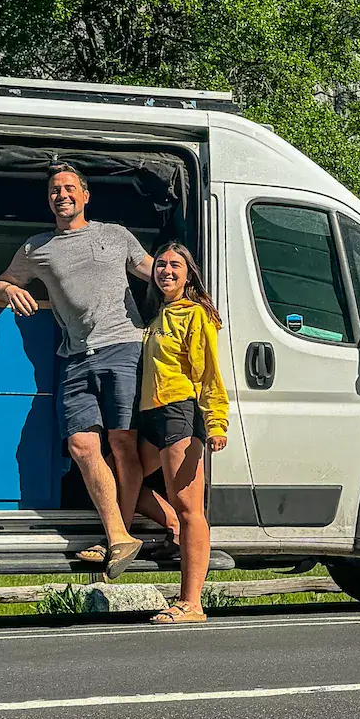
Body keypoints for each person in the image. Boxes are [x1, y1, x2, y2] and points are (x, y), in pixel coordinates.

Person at [0, 162, 154, 577]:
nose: (61, 195)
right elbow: (1, 281)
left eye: (68, 188)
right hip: (76, 357)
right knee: (82, 446)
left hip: (123, 347)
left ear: (85, 196)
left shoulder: (115, 235)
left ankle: (122, 534)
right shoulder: (37, 247)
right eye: (54, 190)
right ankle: (120, 536)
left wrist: (195, 301)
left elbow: (157, 272)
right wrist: (10, 290)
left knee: (122, 444)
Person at [133, 240, 228, 625]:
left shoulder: (196, 314)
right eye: (160, 265)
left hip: (179, 412)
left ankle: (191, 603)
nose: (166, 271)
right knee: (124, 479)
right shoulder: (158, 314)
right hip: (150, 414)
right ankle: (170, 525)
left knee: (190, 509)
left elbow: (208, 373)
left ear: (189, 275)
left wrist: (216, 422)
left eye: (175, 265)